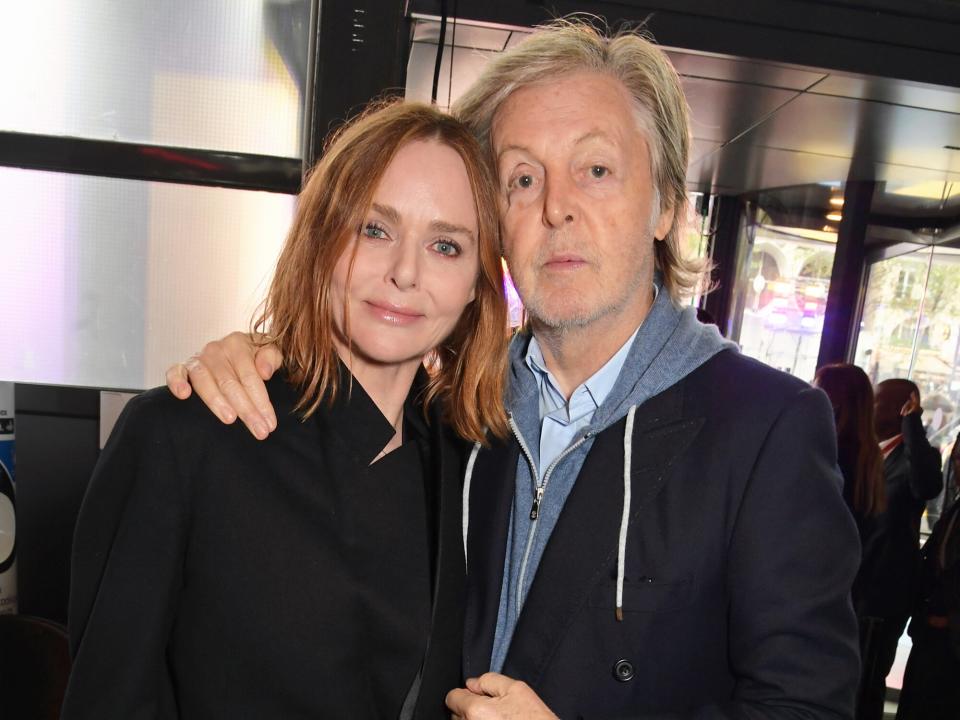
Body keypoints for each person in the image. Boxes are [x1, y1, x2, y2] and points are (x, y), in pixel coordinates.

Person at [167, 19, 861, 718]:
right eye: (522, 178)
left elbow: (808, 708)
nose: (557, 208)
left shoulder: (767, 430)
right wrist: (258, 362)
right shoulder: (453, 418)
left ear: (666, 207)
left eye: (596, 170)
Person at [61, 101, 510, 719]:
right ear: (323, 235)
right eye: (374, 230)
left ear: (477, 285)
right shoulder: (185, 437)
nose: (406, 273)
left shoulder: (477, 472)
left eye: (445, 246)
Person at [853, 378, 943, 720]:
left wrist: (913, 423)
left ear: (901, 407)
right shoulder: (866, 452)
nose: (870, 408)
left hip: (881, 594)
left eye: (877, 401)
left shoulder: (914, 456)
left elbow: (927, 485)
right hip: (856, 588)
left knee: (867, 685)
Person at [813, 363, 887, 718]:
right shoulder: (870, 456)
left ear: (834, 399)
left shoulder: (826, 452)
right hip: (846, 588)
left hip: (812, 584)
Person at [895, 442, 960, 719]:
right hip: (932, 639)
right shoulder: (955, 509)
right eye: (957, 459)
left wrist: (950, 621)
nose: (958, 467)